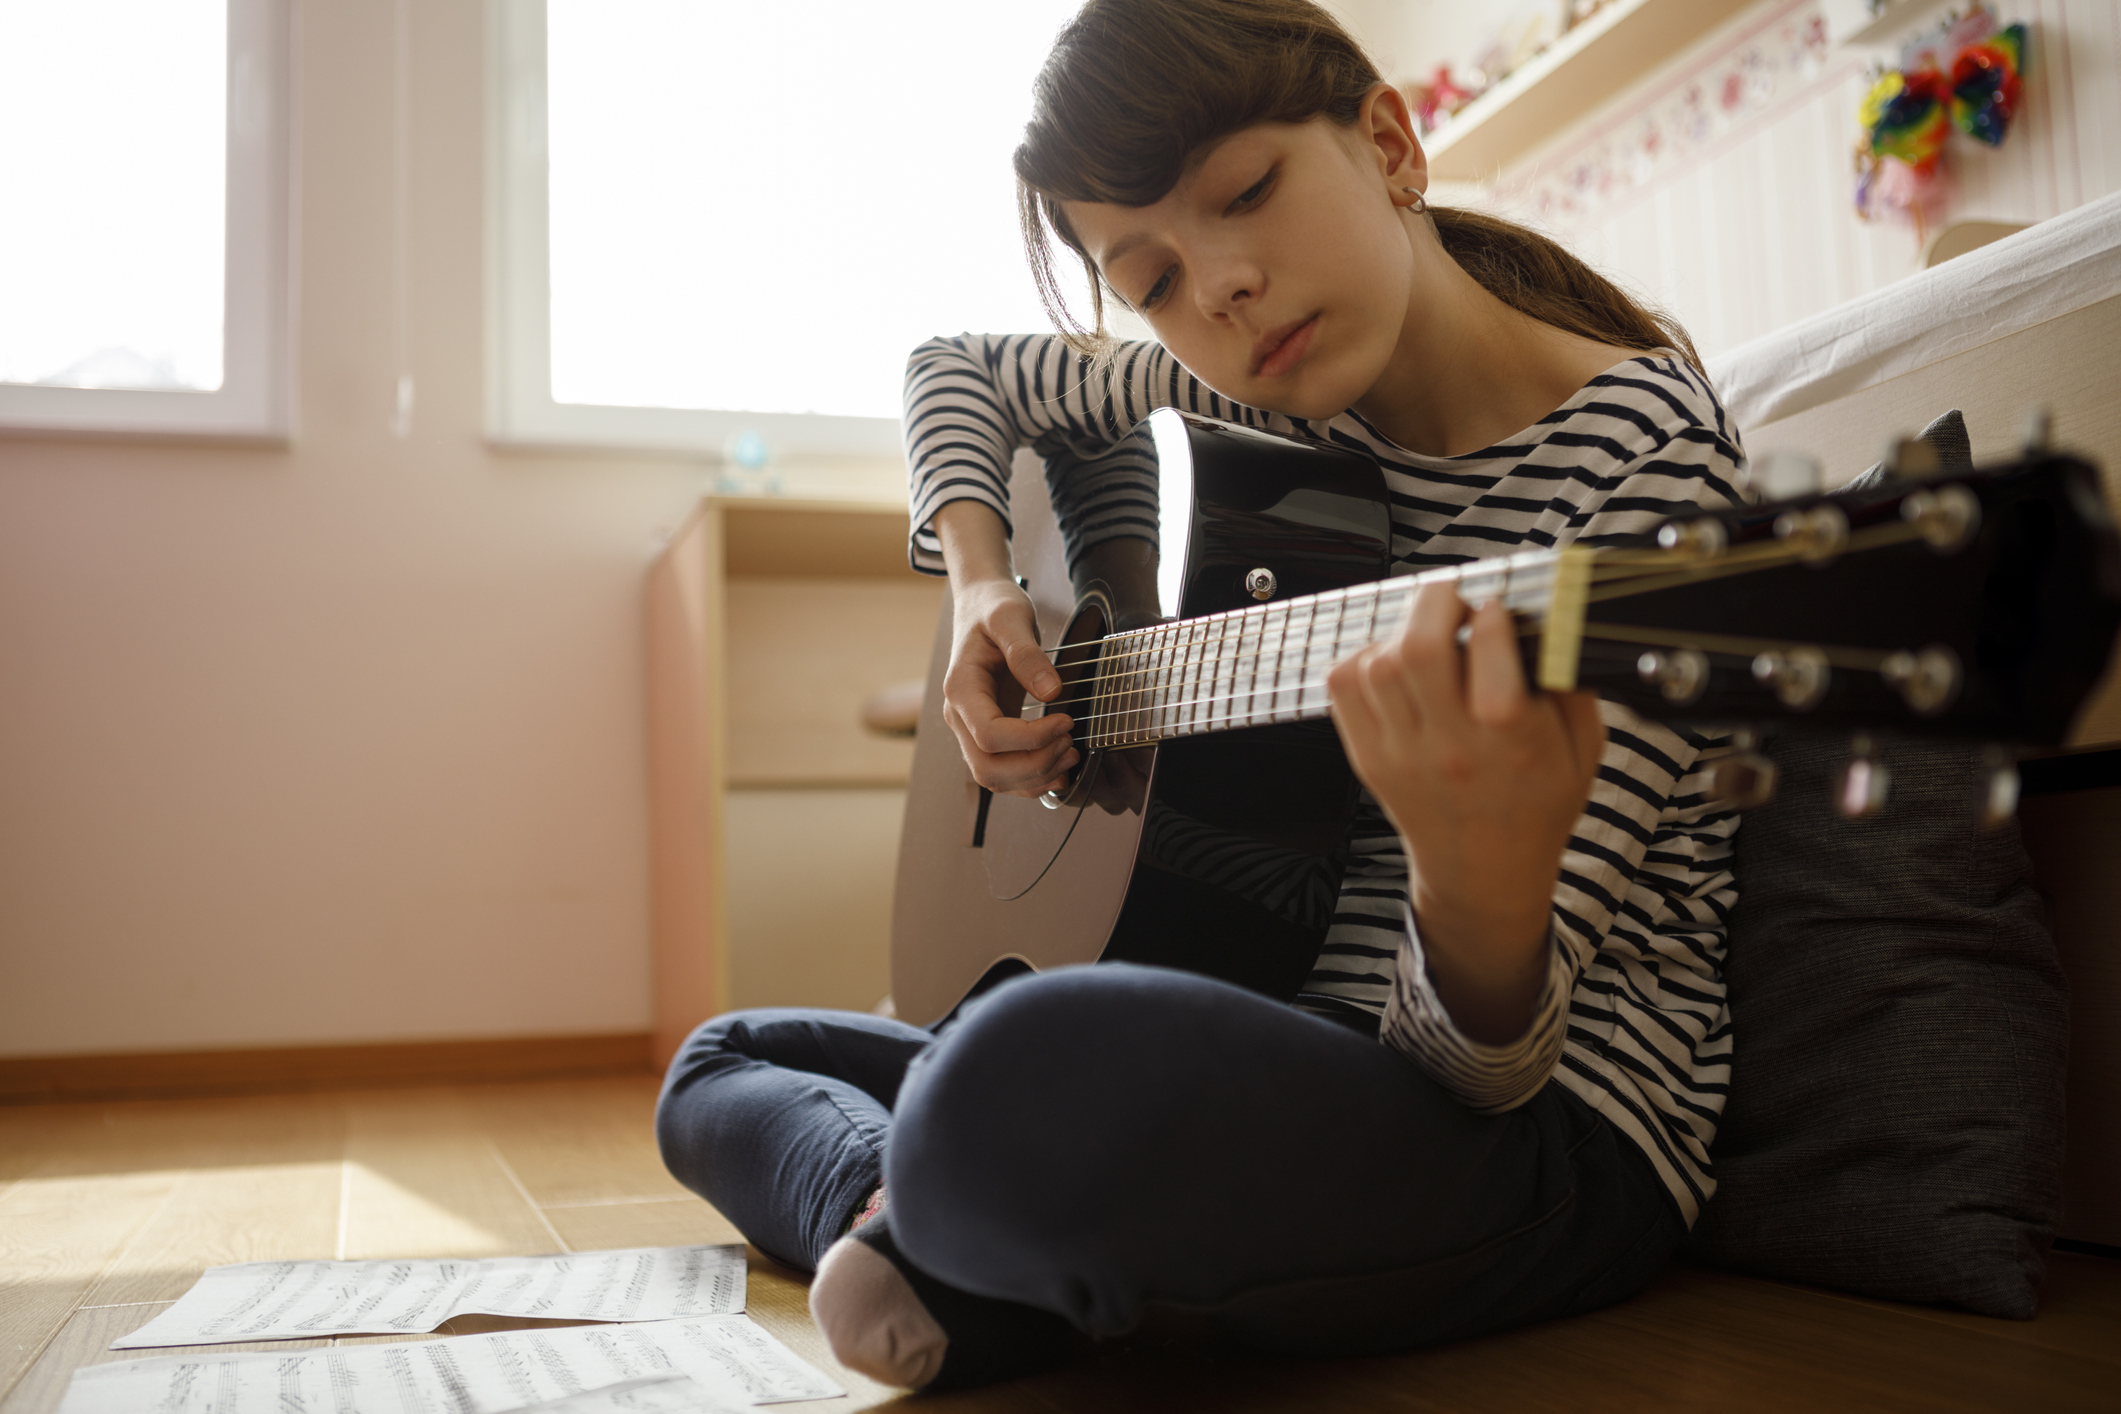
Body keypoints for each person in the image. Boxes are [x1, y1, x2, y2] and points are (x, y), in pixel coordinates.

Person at [656, 0, 1745, 1391]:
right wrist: (982, 586)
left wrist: (1470, 871)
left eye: (1246, 193)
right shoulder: (1264, 404)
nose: (1221, 288)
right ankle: (915, 1212)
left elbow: (1479, 1072)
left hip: (1540, 1135)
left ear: (1390, 144)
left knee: (1012, 1057)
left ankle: (959, 1229)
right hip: (1253, 1020)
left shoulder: (1646, 465)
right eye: (1153, 277)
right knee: (722, 1057)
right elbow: (954, 370)